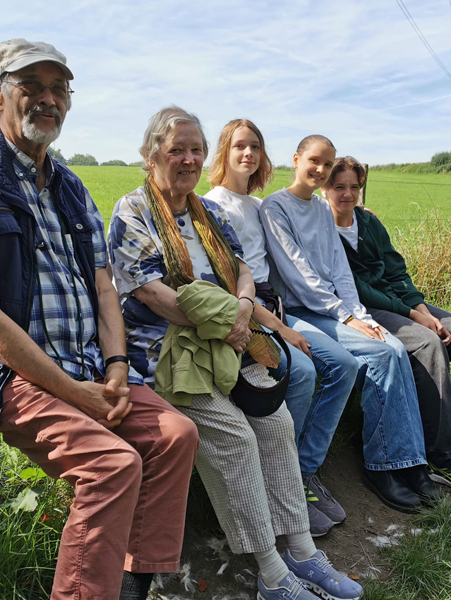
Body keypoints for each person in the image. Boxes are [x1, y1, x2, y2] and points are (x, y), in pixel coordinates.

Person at [0, 39, 199, 600]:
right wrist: (75, 393)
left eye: (59, 89)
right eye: (32, 86)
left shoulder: (70, 186)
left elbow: (103, 287)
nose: (48, 99)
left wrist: (115, 367)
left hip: (85, 364)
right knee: (111, 466)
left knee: (175, 435)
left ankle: (131, 582)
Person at [107, 107, 361, 600]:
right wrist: (230, 323)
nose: (188, 159)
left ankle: (302, 550)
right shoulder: (132, 210)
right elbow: (152, 294)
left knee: (277, 424)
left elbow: (242, 269)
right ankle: (271, 572)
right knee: (236, 437)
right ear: (150, 155)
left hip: (230, 343)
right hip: (166, 354)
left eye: (195, 150)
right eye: (176, 149)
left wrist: (243, 308)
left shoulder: (209, 212)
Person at [260, 135, 444, 512]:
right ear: (296, 159)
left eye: (327, 164)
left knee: (392, 347)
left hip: (333, 309)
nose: (320, 169)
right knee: (380, 355)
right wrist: (344, 315)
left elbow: (340, 269)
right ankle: (382, 467)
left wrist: (359, 315)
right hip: (300, 310)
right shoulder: (275, 206)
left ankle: (409, 462)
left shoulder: (320, 208)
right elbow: (298, 274)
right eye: (314, 161)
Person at [323, 156, 451, 493]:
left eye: (354, 187)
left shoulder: (368, 223)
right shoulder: (322, 230)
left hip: (399, 301)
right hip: (364, 309)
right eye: (339, 186)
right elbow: (358, 289)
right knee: (428, 344)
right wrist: (415, 316)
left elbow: (396, 271)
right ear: (325, 189)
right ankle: (446, 459)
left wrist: (419, 307)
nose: (347, 194)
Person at [205, 119, 359, 536]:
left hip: (276, 305)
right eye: (239, 146)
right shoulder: (213, 205)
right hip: (246, 309)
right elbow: (231, 283)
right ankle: (283, 484)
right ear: (224, 151)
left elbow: (300, 230)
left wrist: (355, 216)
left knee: (342, 364)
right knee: (303, 371)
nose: (248, 154)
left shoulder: (259, 206)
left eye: (255, 146)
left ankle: (303, 473)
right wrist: (281, 328)